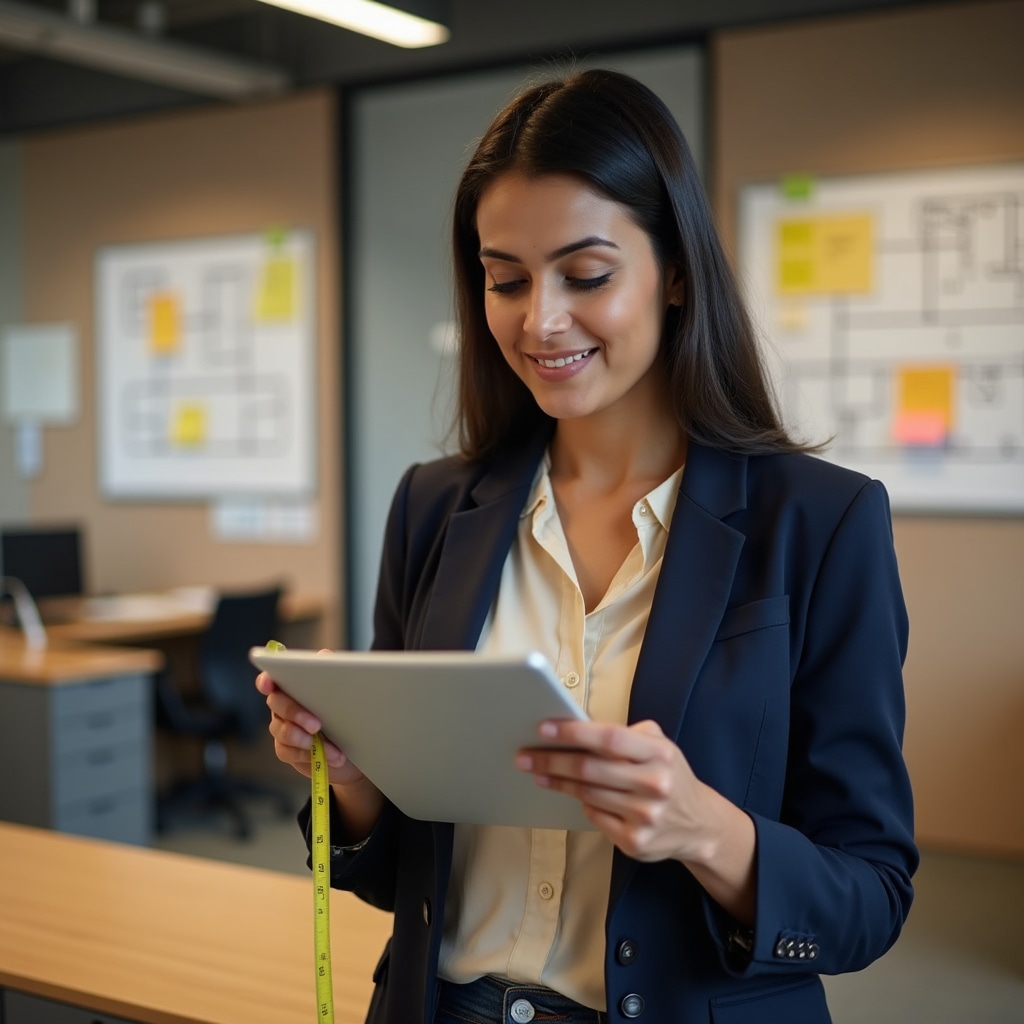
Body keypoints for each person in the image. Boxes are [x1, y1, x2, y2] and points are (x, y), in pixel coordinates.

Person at [256, 67, 917, 1024]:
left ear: (677, 271)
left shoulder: (821, 524)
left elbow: (870, 896)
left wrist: (705, 831)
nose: (540, 321)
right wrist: (353, 784)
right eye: (505, 280)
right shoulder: (433, 509)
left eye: (587, 274)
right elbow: (401, 871)